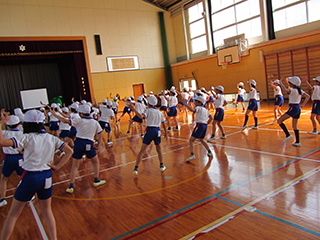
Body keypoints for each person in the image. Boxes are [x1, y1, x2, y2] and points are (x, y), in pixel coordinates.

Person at [0, 109, 72, 240]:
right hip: (47, 177)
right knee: (47, 211)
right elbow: (69, 151)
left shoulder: (26, 137)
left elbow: (3, 142)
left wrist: (0, 124)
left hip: (30, 177)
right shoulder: (51, 138)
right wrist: (57, 166)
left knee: (13, 215)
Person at [50, 105, 106, 193]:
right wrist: (98, 145)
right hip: (88, 143)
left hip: (78, 143)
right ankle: (96, 180)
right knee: (95, 162)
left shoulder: (79, 120)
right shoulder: (95, 122)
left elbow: (65, 120)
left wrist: (55, 114)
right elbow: (100, 133)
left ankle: (71, 186)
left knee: (75, 166)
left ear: (82, 113)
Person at [127, 95, 167, 175]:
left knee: (142, 150)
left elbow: (141, 116)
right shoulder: (159, 112)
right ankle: (162, 165)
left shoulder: (147, 110)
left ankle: (136, 168)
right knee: (158, 149)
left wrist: (133, 109)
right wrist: (165, 133)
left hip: (149, 131)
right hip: (157, 131)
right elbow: (164, 123)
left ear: (148, 103)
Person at [277, 76, 310, 147]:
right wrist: (302, 104)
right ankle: (297, 142)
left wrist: (281, 83)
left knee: (279, 121)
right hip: (298, 107)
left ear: (292, 84)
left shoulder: (293, 90)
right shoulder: (300, 90)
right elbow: (308, 96)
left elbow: (285, 90)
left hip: (293, 107)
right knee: (295, 125)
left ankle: (288, 135)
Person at [0, 116, 23, 208]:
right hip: (19, 158)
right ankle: (27, 196)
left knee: (4, 179)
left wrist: (1, 122)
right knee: (22, 178)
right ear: (18, 124)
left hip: (8, 158)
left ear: (7, 125)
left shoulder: (4, 133)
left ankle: (2, 199)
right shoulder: (22, 134)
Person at [183, 96, 213, 162]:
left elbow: (192, 110)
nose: (195, 102)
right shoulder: (206, 110)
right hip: (204, 125)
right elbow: (211, 118)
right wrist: (206, 123)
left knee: (191, 140)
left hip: (199, 125)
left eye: (197, 101)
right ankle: (209, 151)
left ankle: (192, 154)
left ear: (200, 102)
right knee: (202, 140)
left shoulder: (199, 108)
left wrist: (185, 104)